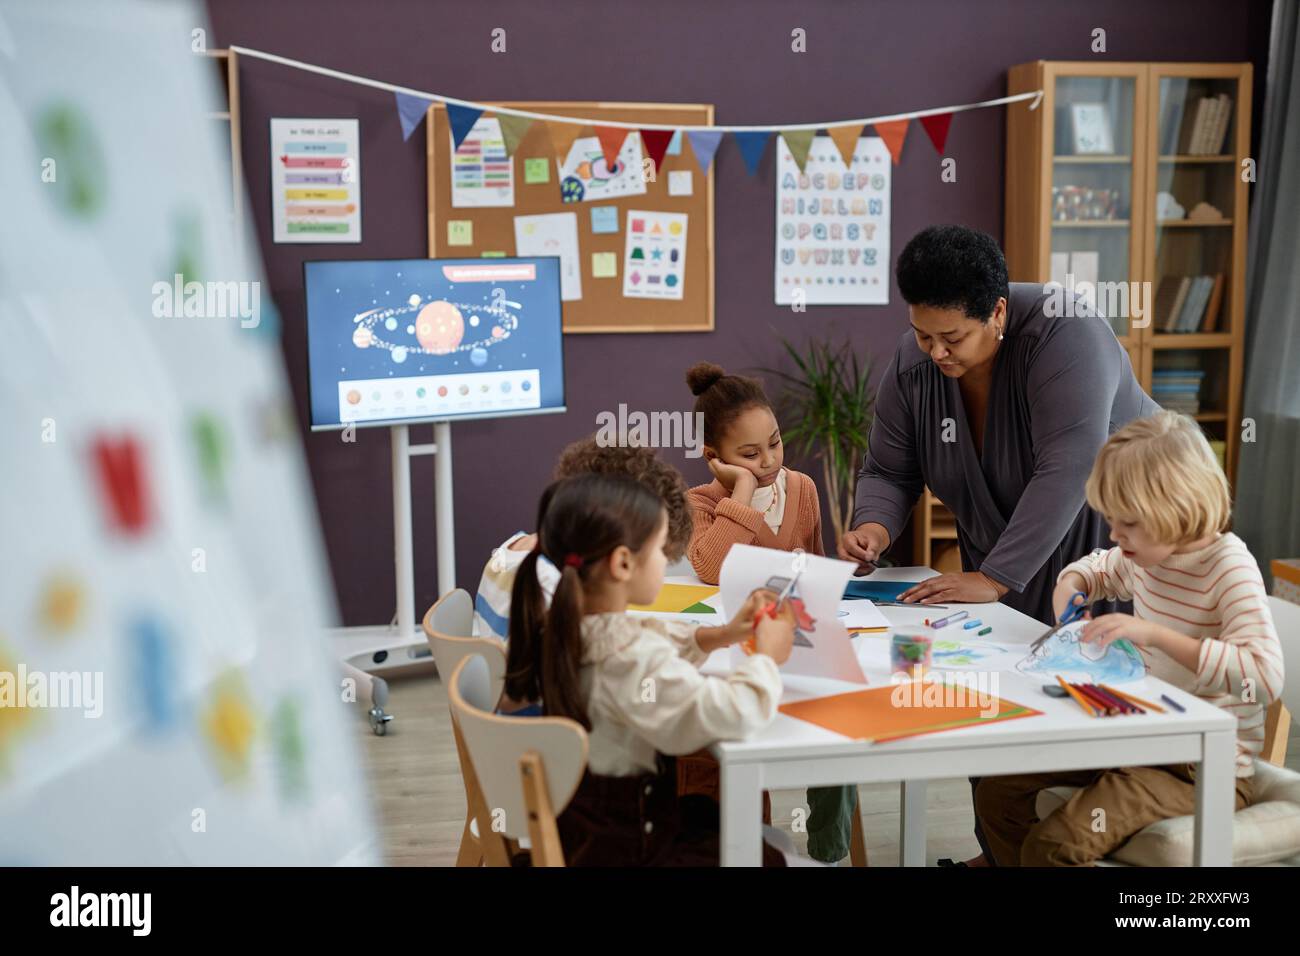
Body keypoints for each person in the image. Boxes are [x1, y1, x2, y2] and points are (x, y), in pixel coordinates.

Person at [974, 411, 1282, 865]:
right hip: (1136, 738)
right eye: (1111, 520)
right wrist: (1071, 585)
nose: (1115, 534)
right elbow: (1098, 568)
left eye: (1128, 523)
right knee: (997, 793)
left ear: (1177, 508)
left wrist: (1154, 634)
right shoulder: (1145, 552)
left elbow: (1264, 675)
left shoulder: (1228, 567)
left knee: (1054, 846)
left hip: (1201, 768)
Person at [504, 473, 803, 865]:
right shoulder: (628, 658)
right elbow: (731, 712)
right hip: (630, 850)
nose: (667, 560)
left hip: (589, 835)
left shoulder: (565, 627)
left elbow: (648, 636)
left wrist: (724, 634)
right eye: (662, 549)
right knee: (764, 854)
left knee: (713, 817)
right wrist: (766, 658)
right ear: (623, 563)